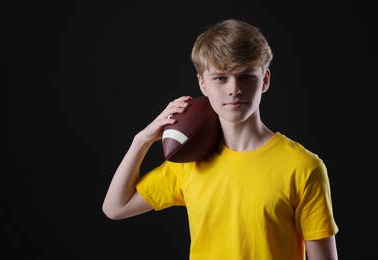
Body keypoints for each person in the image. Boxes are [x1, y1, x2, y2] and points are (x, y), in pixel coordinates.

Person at [102, 18, 339, 259]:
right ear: (202, 84)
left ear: (265, 80)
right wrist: (141, 140)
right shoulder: (188, 164)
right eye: (220, 78)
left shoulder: (303, 167)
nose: (234, 89)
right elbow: (115, 207)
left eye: (246, 76)